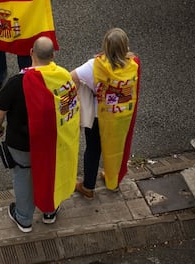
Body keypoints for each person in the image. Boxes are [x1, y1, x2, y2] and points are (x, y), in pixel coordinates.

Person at [0, 37, 80, 232]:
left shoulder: (18, 83)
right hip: (52, 142)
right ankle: (50, 210)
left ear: (31, 52)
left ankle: (23, 218)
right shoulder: (63, 77)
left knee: (24, 175)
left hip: (23, 144)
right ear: (53, 55)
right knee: (50, 173)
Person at [71, 28, 141, 199]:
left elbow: (71, 77)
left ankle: (88, 187)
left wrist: (80, 96)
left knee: (93, 150)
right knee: (116, 149)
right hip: (121, 116)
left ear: (105, 46)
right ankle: (113, 181)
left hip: (99, 117)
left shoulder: (95, 65)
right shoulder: (133, 64)